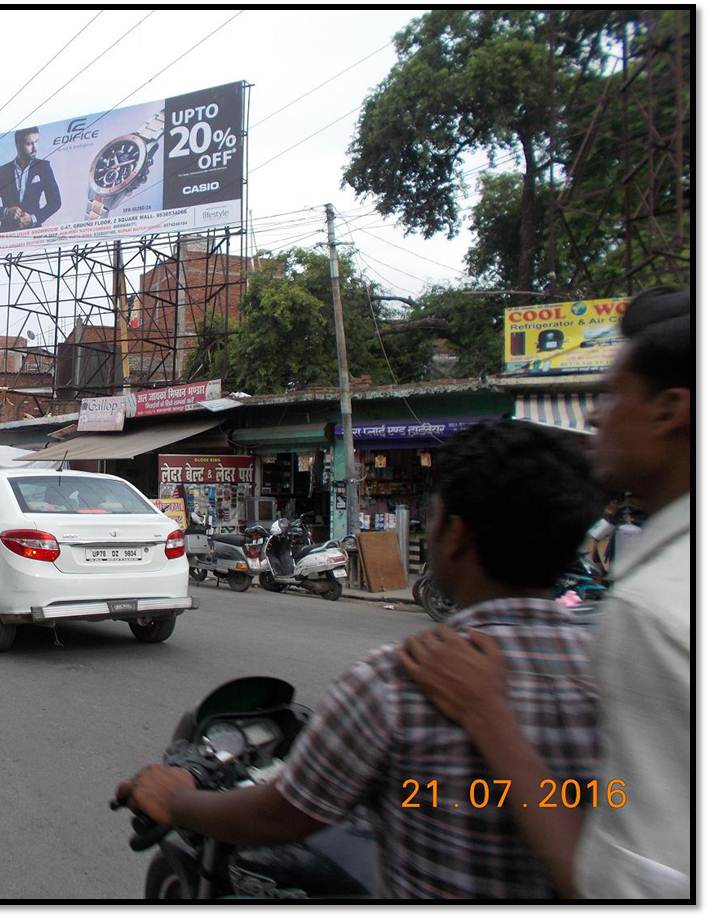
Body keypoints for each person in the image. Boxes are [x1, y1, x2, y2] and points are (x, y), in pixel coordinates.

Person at [115, 419, 604, 899]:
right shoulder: (611, 670)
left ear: (455, 536)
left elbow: (283, 814)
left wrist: (176, 800)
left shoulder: (401, 679)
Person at [399, 288, 691, 899]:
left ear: (670, 409)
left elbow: (636, 890)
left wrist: (489, 716)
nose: (592, 416)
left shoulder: (654, 609)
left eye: (612, 394)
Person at [0, 127, 61, 233]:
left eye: (36, 142)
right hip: (7, 235)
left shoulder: (44, 167)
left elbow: (55, 202)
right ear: (18, 145)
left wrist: (33, 218)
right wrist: (6, 212)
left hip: (34, 234)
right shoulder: (1, 172)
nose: (35, 148)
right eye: (29, 144)